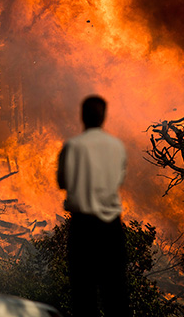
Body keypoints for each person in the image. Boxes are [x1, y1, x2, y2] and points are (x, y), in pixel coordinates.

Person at [57, 95, 128, 317]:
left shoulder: (73, 146)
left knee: (83, 293)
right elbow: (118, 180)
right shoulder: (117, 146)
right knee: (115, 292)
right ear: (104, 117)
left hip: (83, 227)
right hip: (111, 228)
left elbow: (62, 182)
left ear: (82, 116)